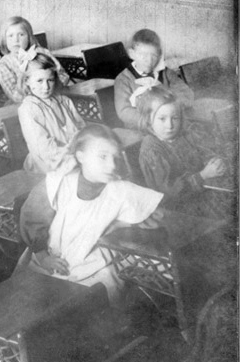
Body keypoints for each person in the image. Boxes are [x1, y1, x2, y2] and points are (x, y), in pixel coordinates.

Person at [19, 124, 164, 305]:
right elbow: (32, 219)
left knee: (99, 293)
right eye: (103, 157)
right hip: (50, 256)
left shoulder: (121, 189)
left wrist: (118, 224)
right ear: (81, 156)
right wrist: (43, 257)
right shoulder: (60, 183)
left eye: (116, 158)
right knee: (35, 296)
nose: (111, 165)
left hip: (93, 261)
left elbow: (155, 214)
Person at [137, 86, 228, 216]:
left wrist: (214, 162)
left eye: (175, 118)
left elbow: (204, 152)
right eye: (162, 119)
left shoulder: (183, 135)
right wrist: (203, 175)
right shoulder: (152, 151)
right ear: (148, 120)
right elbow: (169, 192)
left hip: (201, 192)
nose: (170, 125)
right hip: (180, 207)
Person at [18, 53, 87, 174]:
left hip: (75, 157)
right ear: (27, 81)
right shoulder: (29, 109)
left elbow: (82, 129)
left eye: (50, 80)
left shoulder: (64, 101)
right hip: (48, 166)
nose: (46, 87)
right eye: (39, 81)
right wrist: (75, 159)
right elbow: (44, 149)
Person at [114, 28, 194, 130]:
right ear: (132, 54)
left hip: (170, 122)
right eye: (143, 55)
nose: (149, 60)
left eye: (154, 55)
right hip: (141, 128)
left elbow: (187, 95)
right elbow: (124, 112)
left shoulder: (165, 72)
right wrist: (152, 120)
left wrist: (169, 109)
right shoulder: (123, 79)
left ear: (159, 55)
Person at [0, 16, 70, 104]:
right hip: (25, 104)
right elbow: (14, 95)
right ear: (4, 40)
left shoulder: (42, 52)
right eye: (10, 36)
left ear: (29, 37)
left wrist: (50, 91)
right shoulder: (4, 64)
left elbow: (63, 76)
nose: (16, 40)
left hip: (53, 97)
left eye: (21, 35)